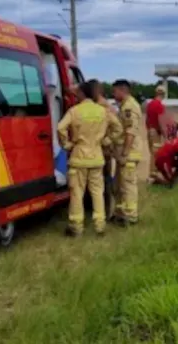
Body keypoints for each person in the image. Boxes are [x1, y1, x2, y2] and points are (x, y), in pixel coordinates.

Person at [57, 81, 109, 237]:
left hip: (78, 158)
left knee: (77, 193)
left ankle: (76, 227)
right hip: (97, 157)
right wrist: (106, 141)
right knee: (97, 192)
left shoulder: (74, 111)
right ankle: (100, 225)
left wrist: (66, 144)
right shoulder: (102, 111)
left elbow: (60, 127)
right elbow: (117, 127)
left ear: (82, 93)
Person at [112, 79, 144, 226]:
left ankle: (131, 215)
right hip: (124, 153)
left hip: (129, 154)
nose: (113, 95)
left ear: (122, 90)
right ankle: (120, 213)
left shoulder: (129, 107)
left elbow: (130, 132)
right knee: (119, 185)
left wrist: (125, 153)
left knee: (128, 185)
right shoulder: (124, 106)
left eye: (115, 91)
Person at [93, 81, 122, 221]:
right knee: (104, 181)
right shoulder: (108, 107)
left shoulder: (103, 107)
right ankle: (105, 210)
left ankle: (105, 211)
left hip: (102, 150)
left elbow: (116, 128)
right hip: (102, 148)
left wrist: (106, 142)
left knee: (104, 181)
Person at [145, 85, 167, 180]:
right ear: (163, 94)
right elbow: (161, 122)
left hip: (150, 130)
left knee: (152, 153)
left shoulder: (150, 104)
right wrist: (165, 135)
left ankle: (152, 173)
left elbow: (147, 119)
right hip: (156, 132)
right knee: (156, 154)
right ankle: (153, 175)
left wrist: (149, 129)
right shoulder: (160, 106)